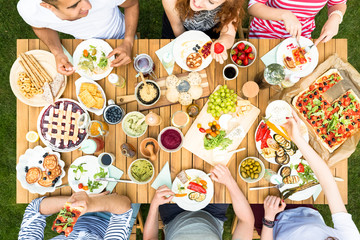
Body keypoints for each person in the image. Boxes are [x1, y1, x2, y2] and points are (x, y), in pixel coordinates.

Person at [255, 110, 360, 240]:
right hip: (303, 213)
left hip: (271, 225)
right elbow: (328, 183)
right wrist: (297, 139)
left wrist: (269, 219)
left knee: (247, 186)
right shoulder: (350, 237)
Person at [17, 0, 139, 76]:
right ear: (48, 6)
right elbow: (40, 27)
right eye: (75, 4)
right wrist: (58, 52)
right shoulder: (29, 9)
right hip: (83, 46)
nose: (88, 6)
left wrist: (128, 41)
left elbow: (132, 3)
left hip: (122, 36)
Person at [143, 164, 254, 240]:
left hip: (173, 214)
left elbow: (149, 238)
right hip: (214, 213)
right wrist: (229, 181)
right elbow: (246, 222)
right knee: (220, 165)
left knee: (164, 166)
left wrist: (154, 205)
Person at [18, 191, 134, 239]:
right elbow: (123, 210)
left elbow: (34, 210)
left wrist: (73, 204)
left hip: (72, 218)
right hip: (109, 219)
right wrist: (92, 203)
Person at [162, 0, 245, 64]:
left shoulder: (231, 4)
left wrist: (222, 43)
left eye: (211, 1)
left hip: (211, 31)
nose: (197, 3)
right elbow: (177, 26)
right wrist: (187, 48)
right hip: (179, 30)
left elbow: (228, 34)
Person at [247, 0, 347, 45]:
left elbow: (338, 3)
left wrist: (335, 17)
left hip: (301, 34)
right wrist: (284, 14)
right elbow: (253, 6)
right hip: (266, 30)